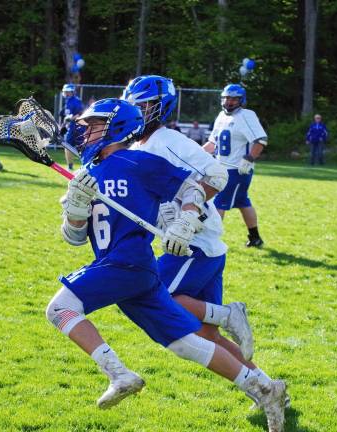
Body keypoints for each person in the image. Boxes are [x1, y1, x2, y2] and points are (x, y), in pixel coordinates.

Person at [46, 98, 286, 431]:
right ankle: (264, 389)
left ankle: (119, 375)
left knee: (60, 310)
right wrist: (75, 204)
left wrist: (185, 222)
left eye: (93, 125)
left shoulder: (138, 162)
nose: (84, 131)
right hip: (129, 272)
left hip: (125, 263)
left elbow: (191, 186)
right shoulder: (86, 175)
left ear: (116, 127)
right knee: (186, 343)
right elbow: (73, 237)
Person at [123, 76, 287, 402]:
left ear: (160, 108)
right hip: (195, 243)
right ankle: (270, 389)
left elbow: (215, 174)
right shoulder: (139, 146)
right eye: (132, 106)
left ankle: (230, 315)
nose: (136, 112)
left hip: (195, 241)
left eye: (143, 106)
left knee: (154, 297)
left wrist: (187, 220)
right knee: (207, 335)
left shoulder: (166, 139)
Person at [203, 84, 268, 248]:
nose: (229, 102)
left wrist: (250, 158)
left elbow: (261, 140)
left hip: (236, 170)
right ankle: (255, 237)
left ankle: (210, 240)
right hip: (221, 168)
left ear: (241, 100)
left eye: (233, 99)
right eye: (226, 98)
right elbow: (212, 143)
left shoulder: (246, 115)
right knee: (243, 202)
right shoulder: (221, 116)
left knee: (218, 203)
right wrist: (196, 154)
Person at [59, 83, 84, 171]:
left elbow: (80, 113)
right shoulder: (67, 101)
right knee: (67, 146)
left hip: (77, 127)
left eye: (68, 91)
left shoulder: (76, 101)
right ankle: (70, 166)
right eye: (65, 91)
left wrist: (71, 118)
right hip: (70, 127)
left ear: (72, 92)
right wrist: (62, 126)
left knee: (80, 147)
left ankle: (82, 166)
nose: (66, 93)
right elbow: (64, 116)